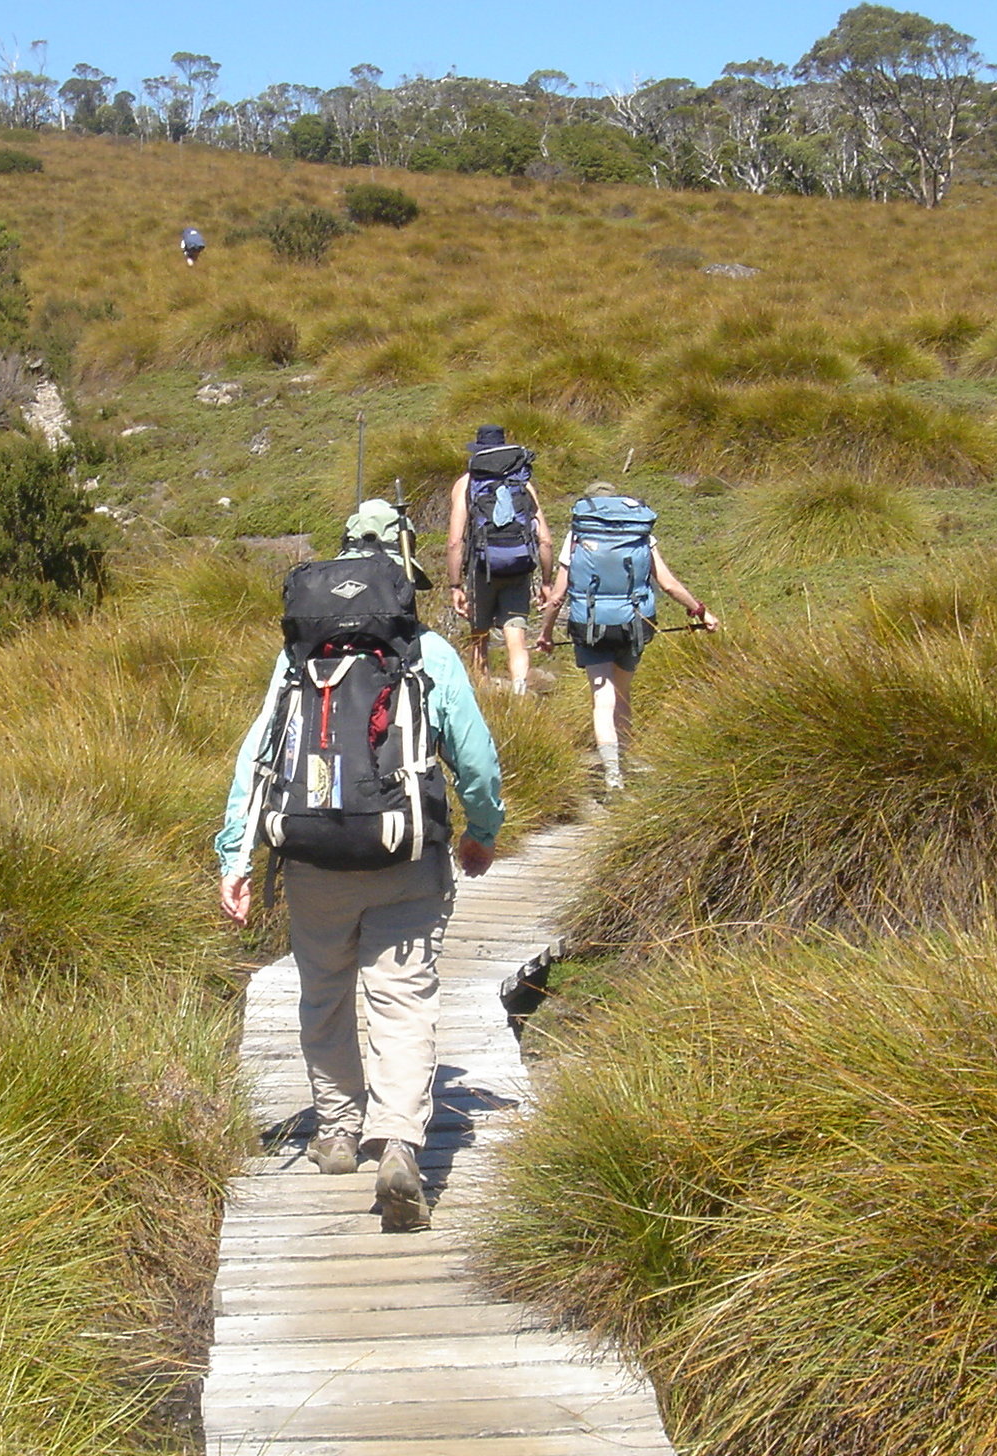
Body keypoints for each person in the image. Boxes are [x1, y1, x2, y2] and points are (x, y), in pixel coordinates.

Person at [216, 501, 503, 1232]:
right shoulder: (426, 653)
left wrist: (235, 855)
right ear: (403, 567)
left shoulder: (297, 661)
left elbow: (258, 759)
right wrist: (482, 830)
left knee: (324, 993)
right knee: (401, 1000)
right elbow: (474, 759)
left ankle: (339, 1130)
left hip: (311, 861)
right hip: (405, 855)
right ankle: (401, 1140)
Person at [535, 482, 720, 791]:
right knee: (622, 695)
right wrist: (701, 612)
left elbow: (556, 597)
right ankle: (626, 761)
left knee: (602, 699)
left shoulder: (578, 535)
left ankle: (611, 776)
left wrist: (545, 633)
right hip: (634, 624)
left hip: (590, 627)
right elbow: (669, 584)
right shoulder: (640, 533)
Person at [442, 425, 555, 696]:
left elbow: (455, 541)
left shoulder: (467, 483)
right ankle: (520, 692)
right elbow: (546, 540)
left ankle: (481, 694)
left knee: (479, 634)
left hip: (482, 569)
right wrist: (547, 582)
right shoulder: (523, 483)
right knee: (516, 632)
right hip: (519, 567)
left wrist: (455, 585)